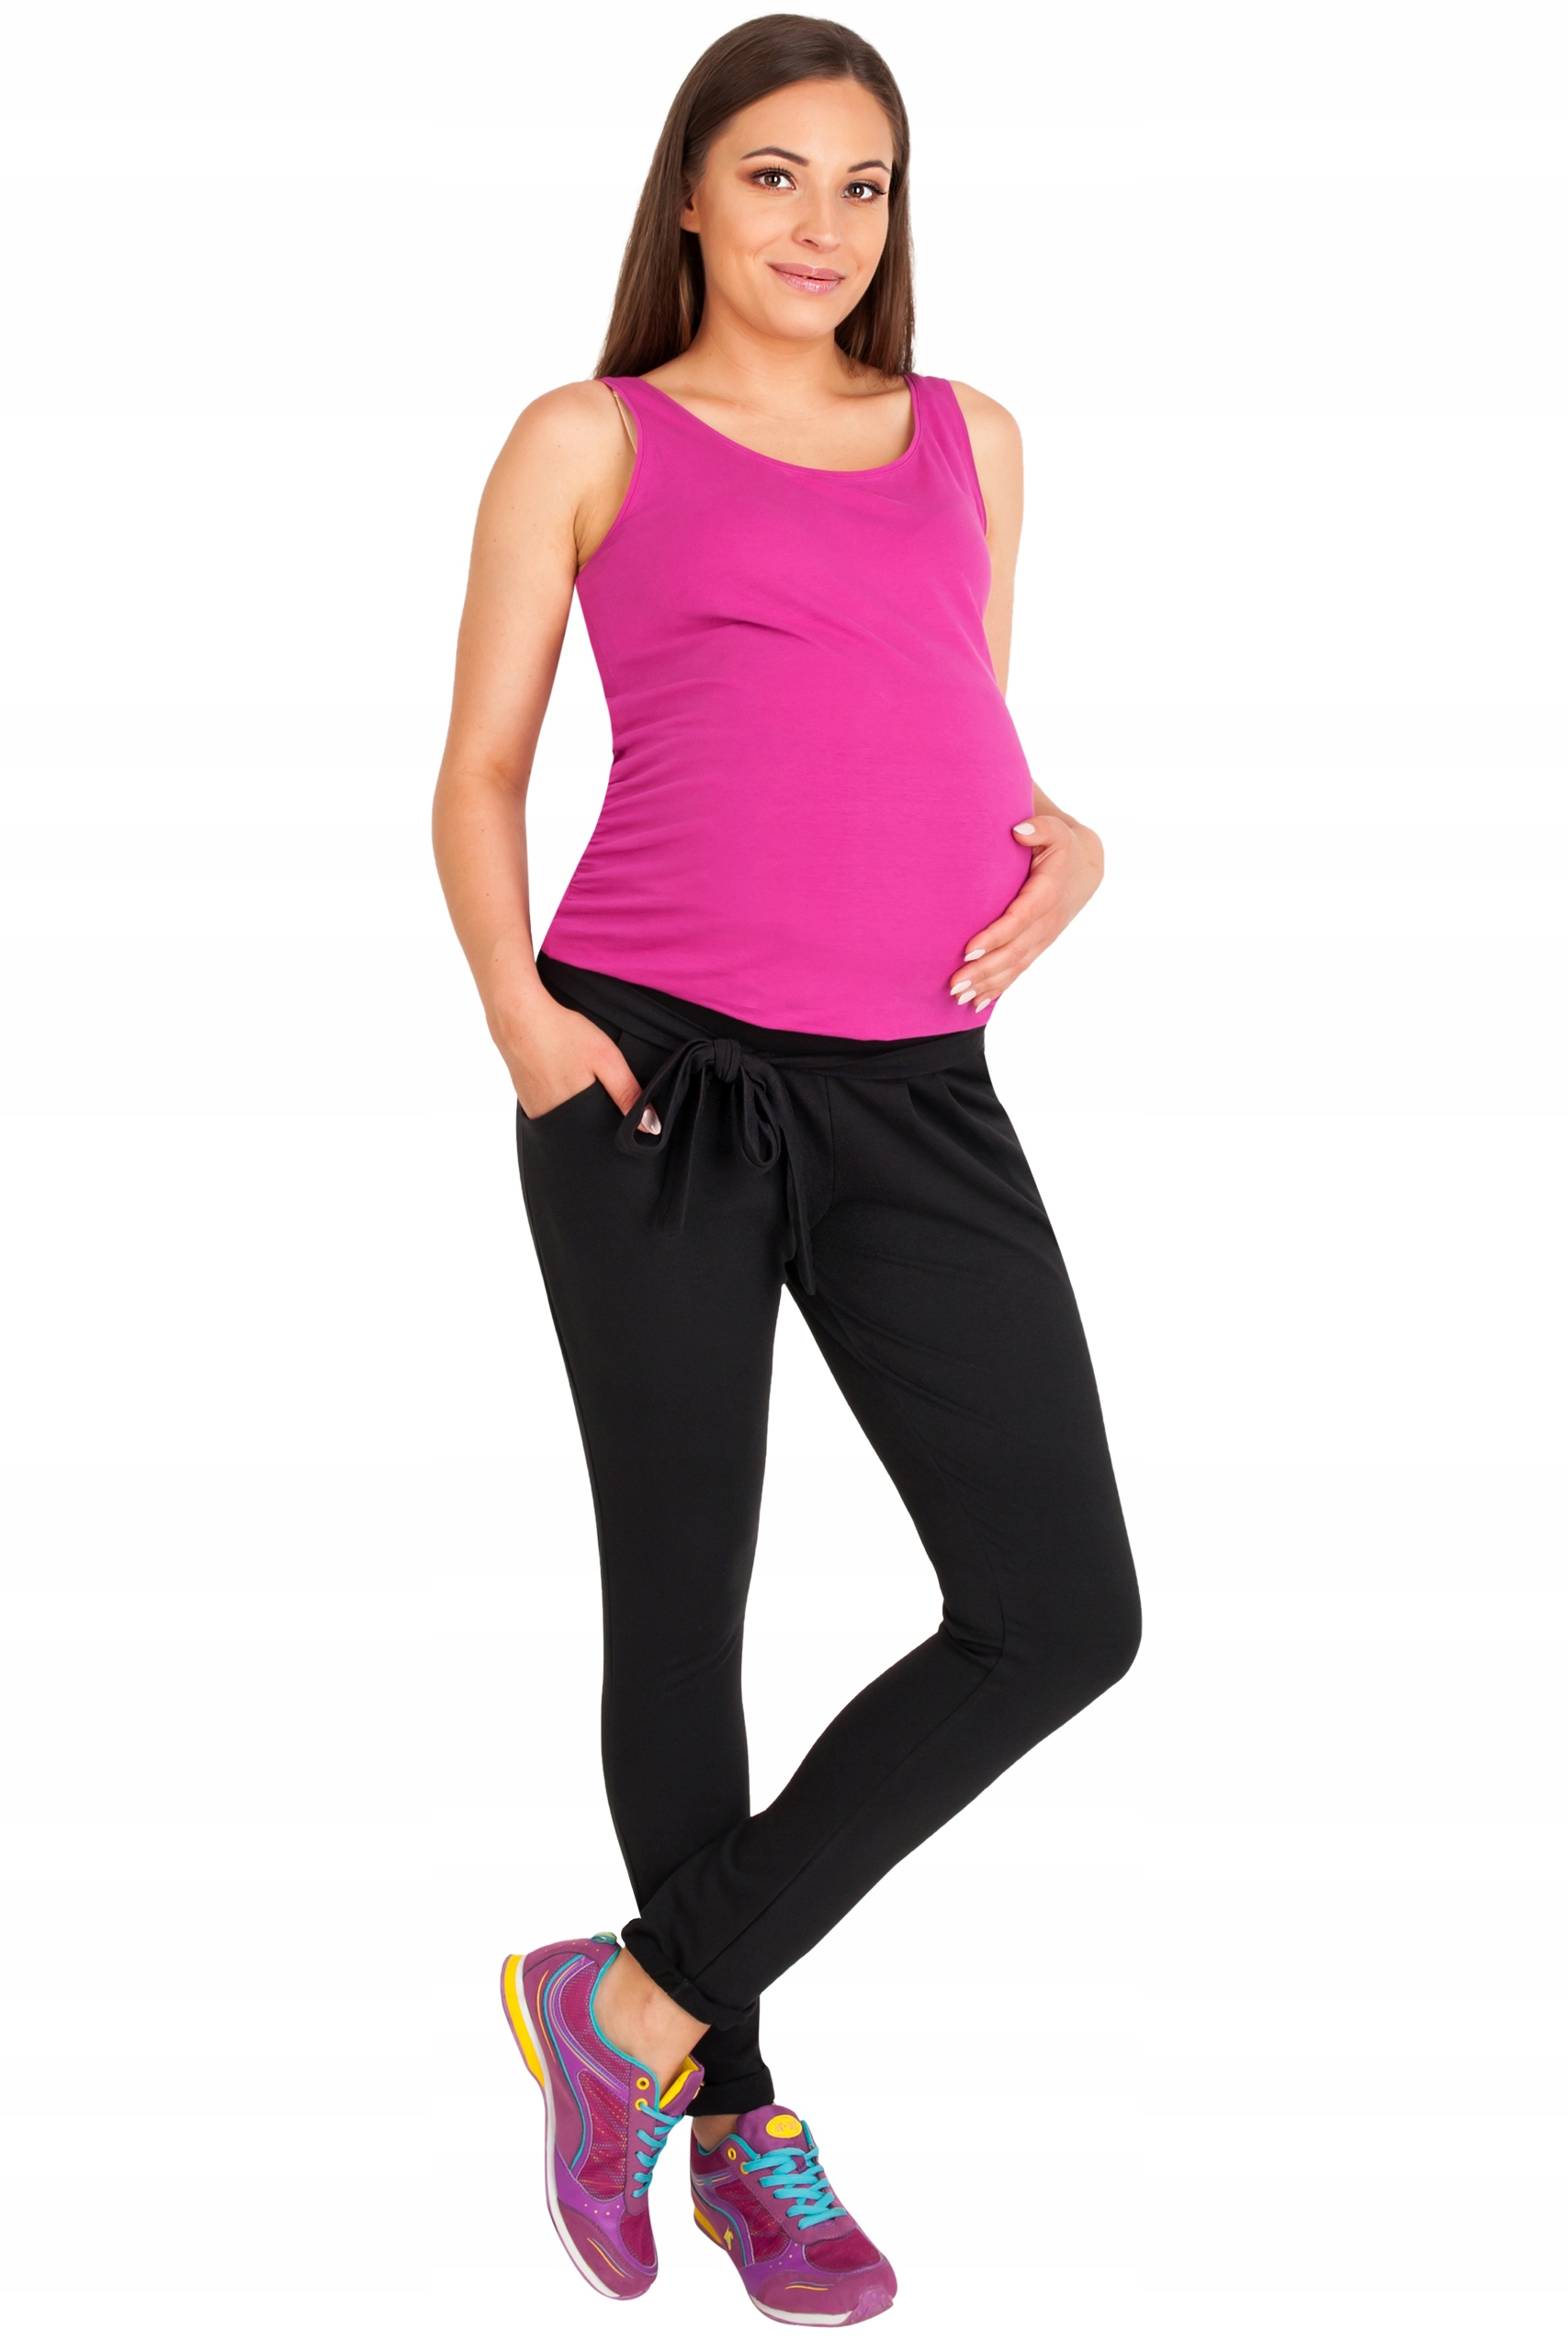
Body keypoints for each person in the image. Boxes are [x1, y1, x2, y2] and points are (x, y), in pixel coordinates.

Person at [432, 13, 1141, 2328]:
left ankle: (625, 2000)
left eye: (862, 183)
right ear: (688, 195)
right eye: (772, 175)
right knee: (685, 1600)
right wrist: (529, 1029)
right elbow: (480, 769)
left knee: (1059, 1609)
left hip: (916, 1086)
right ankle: (736, 2112)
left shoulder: (969, 437)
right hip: (647, 1072)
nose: (820, 224)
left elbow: (957, 724)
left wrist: (1070, 841)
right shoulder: (585, 436)